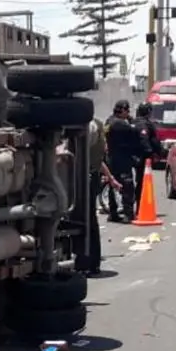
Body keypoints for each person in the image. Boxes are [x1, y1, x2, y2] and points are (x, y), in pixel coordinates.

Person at [73, 117, 122, 276]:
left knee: (85, 218)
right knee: (87, 218)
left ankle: (87, 262)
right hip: (84, 175)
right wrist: (111, 178)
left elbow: (94, 158)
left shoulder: (90, 126)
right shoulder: (96, 125)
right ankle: (88, 262)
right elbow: (99, 160)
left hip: (84, 176)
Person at [104, 100, 145, 222]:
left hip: (111, 157)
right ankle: (128, 213)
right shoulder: (120, 124)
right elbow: (136, 133)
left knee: (112, 184)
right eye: (127, 111)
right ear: (122, 110)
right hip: (122, 158)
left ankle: (113, 212)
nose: (128, 113)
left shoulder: (109, 121)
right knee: (127, 185)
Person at [132, 102, 162, 213]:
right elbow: (152, 142)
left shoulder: (131, 122)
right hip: (142, 158)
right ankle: (139, 207)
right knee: (141, 183)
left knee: (133, 181)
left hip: (129, 157)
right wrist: (155, 153)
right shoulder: (147, 125)